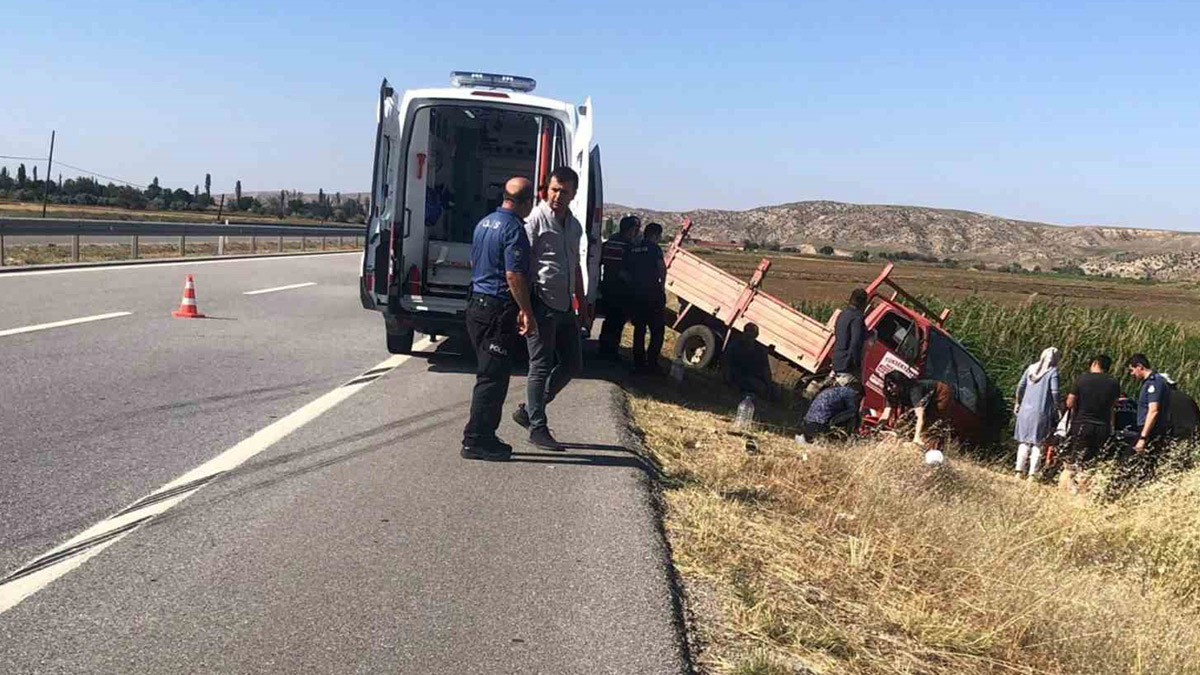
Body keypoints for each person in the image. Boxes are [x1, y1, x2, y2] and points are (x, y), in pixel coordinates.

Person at [511, 167, 586, 450]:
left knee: (572, 364)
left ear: (573, 194)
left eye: (564, 191)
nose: (557, 195)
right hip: (541, 302)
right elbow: (522, 266)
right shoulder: (535, 220)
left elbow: (575, 266)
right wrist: (524, 307)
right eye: (554, 189)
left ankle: (529, 411)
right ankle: (537, 428)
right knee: (540, 365)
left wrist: (583, 303)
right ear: (547, 189)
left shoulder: (574, 225)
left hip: (565, 304)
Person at [462, 177, 536, 461]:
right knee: (492, 377)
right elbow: (513, 274)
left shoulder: (485, 223)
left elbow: (475, 261)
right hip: (496, 309)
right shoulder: (514, 229)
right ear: (527, 202)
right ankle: (477, 439)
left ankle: (483, 435)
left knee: (488, 373)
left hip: (478, 305)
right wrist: (526, 310)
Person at [1064, 354, 1121, 469]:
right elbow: (1114, 405)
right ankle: (1086, 484)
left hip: (1082, 424)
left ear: (1095, 363)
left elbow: (1069, 403)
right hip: (1102, 427)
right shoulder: (1114, 382)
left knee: (1075, 460)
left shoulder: (1082, 379)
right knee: (1093, 462)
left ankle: (1071, 485)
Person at [1013, 347, 1061, 479]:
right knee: (1038, 443)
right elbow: (1055, 392)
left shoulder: (1030, 369)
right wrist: (1058, 407)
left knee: (1023, 441)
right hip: (1041, 412)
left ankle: (1018, 471)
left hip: (1024, 411)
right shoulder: (1052, 372)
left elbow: (1020, 387)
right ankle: (1032, 475)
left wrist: (1018, 402)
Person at [597, 215, 640, 359]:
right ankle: (610, 352)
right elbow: (618, 268)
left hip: (608, 287)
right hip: (618, 289)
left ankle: (605, 349)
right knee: (616, 321)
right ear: (629, 229)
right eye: (636, 228)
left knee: (611, 320)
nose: (637, 232)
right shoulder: (623, 245)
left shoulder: (611, 241)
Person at [626, 222, 667, 374]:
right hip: (653, 295)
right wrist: (661, 287)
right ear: (656, 235)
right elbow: (661, 269)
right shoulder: (655, 249)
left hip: (637, 295)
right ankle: (652, 362)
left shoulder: (634, 248)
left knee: (640, 329)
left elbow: (627, 272)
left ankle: (638, 362)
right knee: (657, 331)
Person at [880, 371, 955, 450]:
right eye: (887, 385)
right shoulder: (890, 392)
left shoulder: (914, 390)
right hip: (923, 397)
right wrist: (878, 428)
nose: (889, 388)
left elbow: (920, 415)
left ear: (900, 383)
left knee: (931, 423)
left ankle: (930, 448)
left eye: (891, 385)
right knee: (905, 419)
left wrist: (917, 437)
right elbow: (886, 413)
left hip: (940, 393)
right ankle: (902, 437)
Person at [1127, 353, 1173, 454]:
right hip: (1148, 429)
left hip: (1150, 430)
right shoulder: (1148, 383)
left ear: (1139, 367)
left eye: (1132, 370)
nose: (1132, 374)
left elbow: (1153, 410)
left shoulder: (1154, 383)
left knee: (1128, 461)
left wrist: (1143, 437)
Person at [722, 323, 772, 399]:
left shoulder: (760, 350)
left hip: (752, 378)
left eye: (752, 334)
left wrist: (768, 386)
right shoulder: (735, 346)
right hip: (737, 377)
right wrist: (729, 381)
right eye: (747, 333)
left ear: (756, 336)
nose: (749, 337)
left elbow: (766, 369)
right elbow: (726, 364)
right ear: (744, 333)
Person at [831, 288, 868, 385]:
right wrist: (856, 364)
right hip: (847, 366)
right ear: (863, 303)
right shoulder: (857, 318)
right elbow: (856, 342)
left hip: (837, 361)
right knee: (854, 394)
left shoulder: (843, 314)